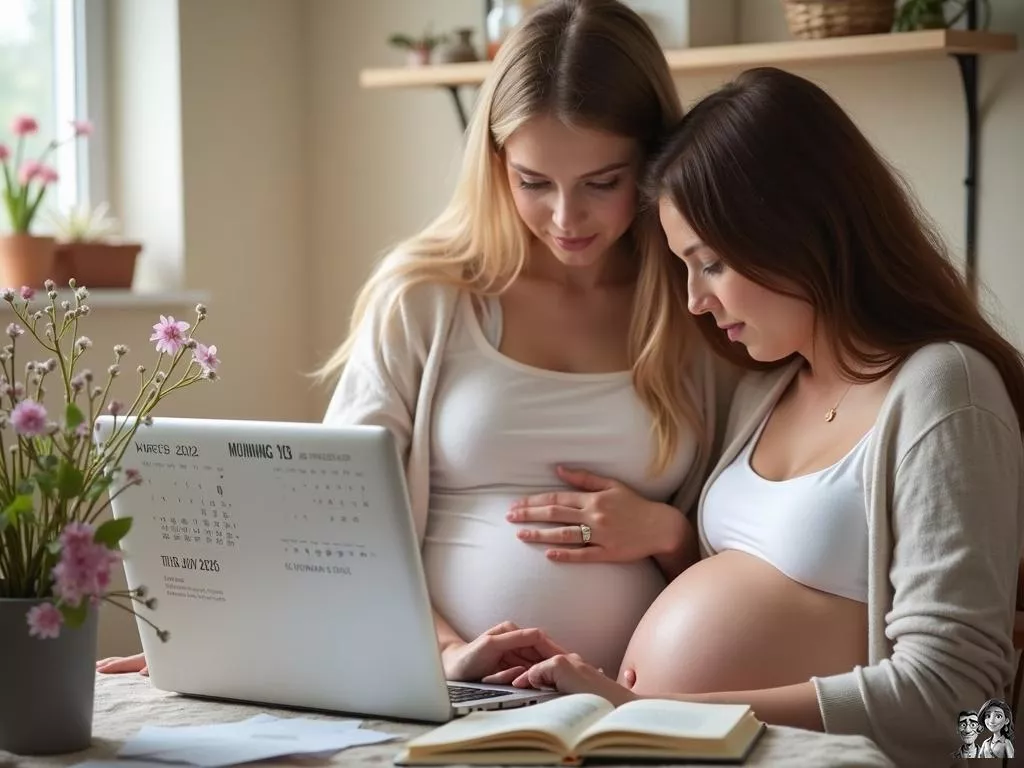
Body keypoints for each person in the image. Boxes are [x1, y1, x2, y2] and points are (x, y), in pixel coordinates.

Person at [97, 0, 734, 683]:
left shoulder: (693, 302)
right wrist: (445, 654)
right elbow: (333, 515)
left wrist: (668, 536)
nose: (565, 216)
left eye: (602, 183)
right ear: (495, 164)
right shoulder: (428, 296)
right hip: (447, 683)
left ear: (651, 160)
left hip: (627, 695)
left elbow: (747, 542)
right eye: (533, 181)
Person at [506, 67, 1024, 768]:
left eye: (711, 263)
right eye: (684, 266)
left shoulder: (945, 390)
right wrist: (669, 539)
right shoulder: (767, 387)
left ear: (795, 229)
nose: (694, 300)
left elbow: (961, 703)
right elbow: (763, 588)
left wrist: (651, 712)